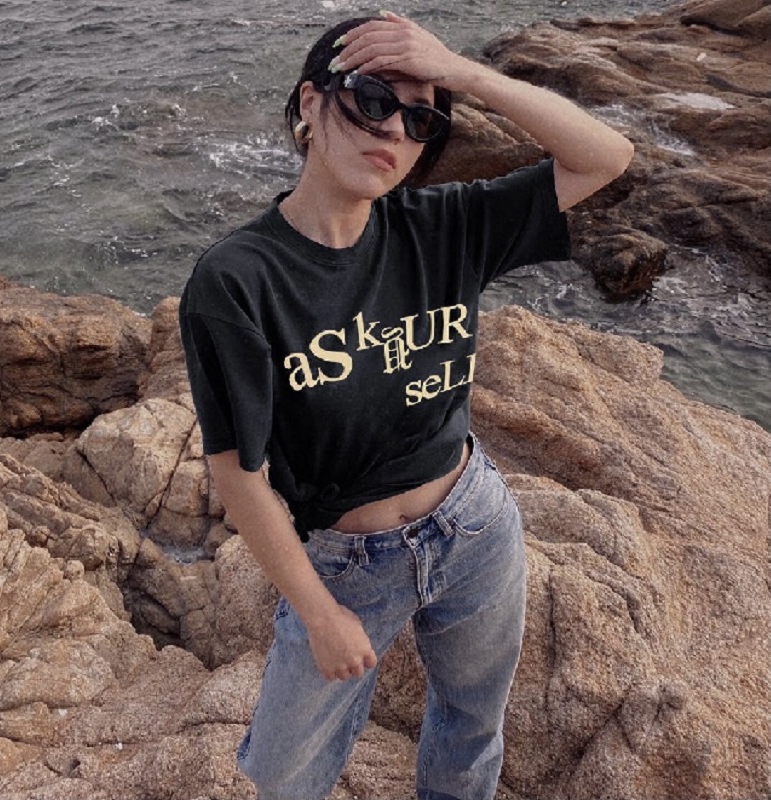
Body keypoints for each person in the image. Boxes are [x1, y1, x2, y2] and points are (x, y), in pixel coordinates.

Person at [179, 11, 633, 800]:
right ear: (310, 104)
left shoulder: (443, 226)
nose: (393, 128)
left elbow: (606, 157)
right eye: (371, 100)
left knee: (471, 728)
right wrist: (318, 613)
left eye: (421, 119)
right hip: (347, 562)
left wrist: (464, 73)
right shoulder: (238, 280)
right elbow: (238, 474)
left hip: (474, 525)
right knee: (281, 775)